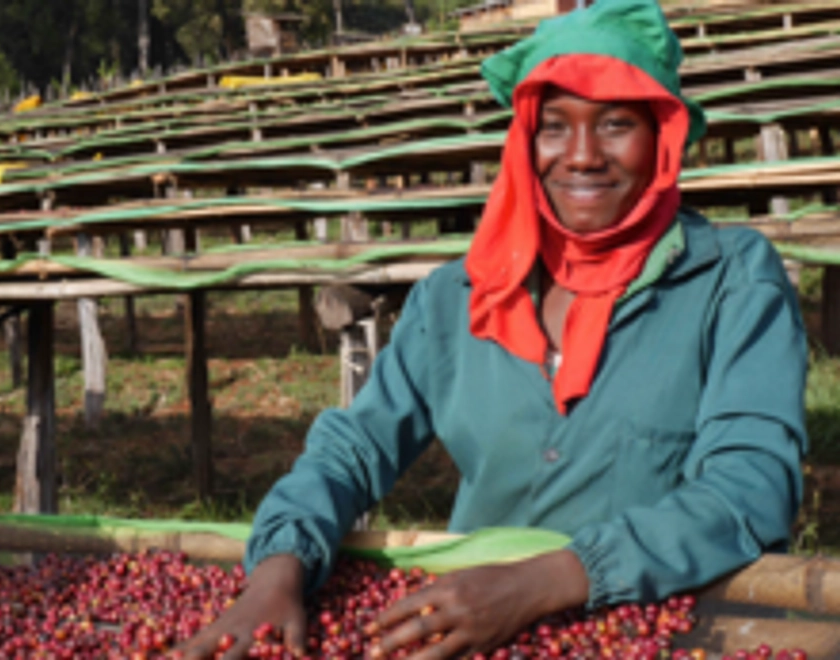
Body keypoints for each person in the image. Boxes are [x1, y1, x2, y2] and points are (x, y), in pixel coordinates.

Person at [178, 0, 808, 657]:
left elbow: (749, 487)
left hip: (667, 630)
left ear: (662, 137)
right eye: (555, 127)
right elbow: (351, 450)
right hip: (469, 635)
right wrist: (277, 569)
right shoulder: (456, 299)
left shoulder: (732, 281)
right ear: (526, 140)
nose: (583, 156)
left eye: (617, 123)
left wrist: (546, 582)